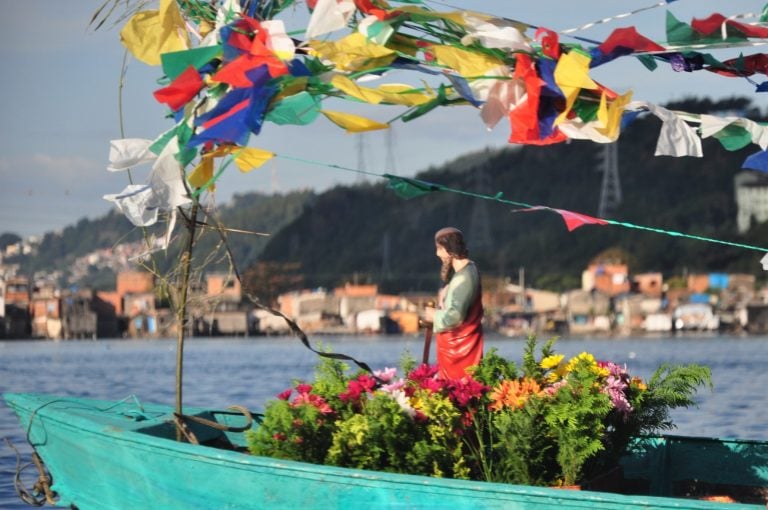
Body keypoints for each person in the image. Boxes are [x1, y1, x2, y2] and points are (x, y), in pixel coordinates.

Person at [424, 227, 484, 379]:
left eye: (440, 248)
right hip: (455, 346)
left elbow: (455, 316)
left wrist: (433, 315)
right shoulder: (467, 271)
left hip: (460, 349)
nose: (437, 254)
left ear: (450, 249)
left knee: (457, 389)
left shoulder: (463, 278)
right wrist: (450, 289)